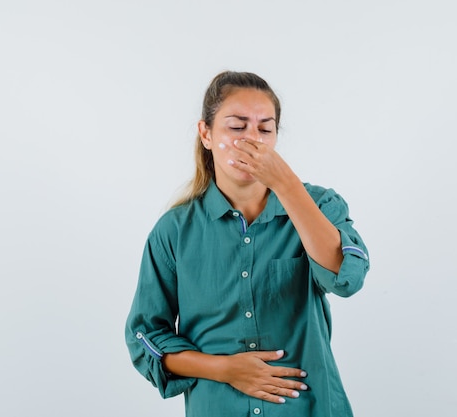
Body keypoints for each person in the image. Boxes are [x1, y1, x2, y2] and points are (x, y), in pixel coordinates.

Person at [125, 71, 370, 417]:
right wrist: (224, 369)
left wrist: (286, 185)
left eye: (265, 129)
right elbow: (145, 337)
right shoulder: (173, 231)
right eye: (237, 127)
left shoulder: (321, 205)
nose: (251, 139)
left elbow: (346, 278)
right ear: (206, 134)